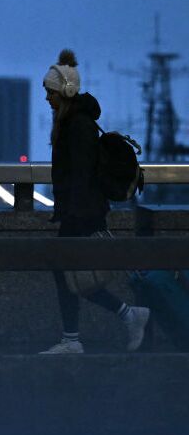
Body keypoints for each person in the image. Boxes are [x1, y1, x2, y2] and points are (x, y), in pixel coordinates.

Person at [40, 49, 149, 354]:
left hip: (81, 214)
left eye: (50, 93)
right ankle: (122, 317)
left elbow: (81, 174)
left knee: (70, 273)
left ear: (65, 92)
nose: (47, 98)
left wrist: (74, 215)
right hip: (80, 212)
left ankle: (76, 338)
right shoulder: (74, 122)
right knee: (74, 274)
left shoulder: (77, 126)